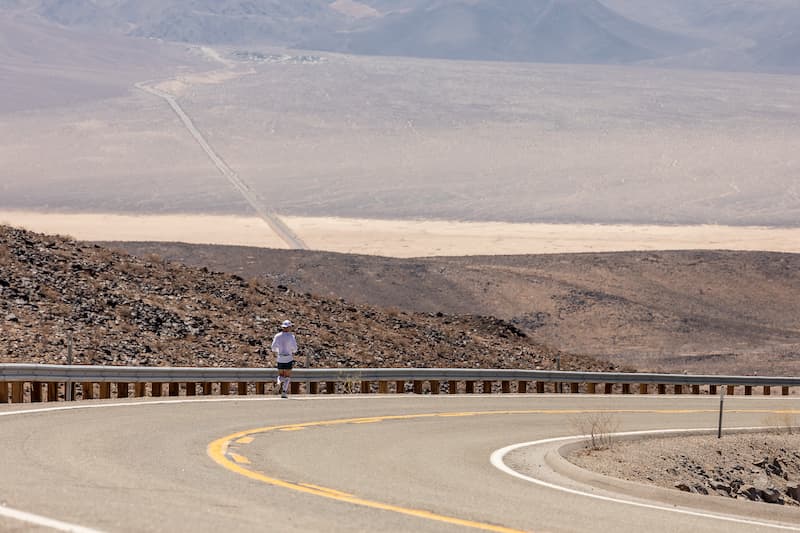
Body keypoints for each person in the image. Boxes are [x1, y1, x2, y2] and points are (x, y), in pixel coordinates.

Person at [271, 319, 298, 398]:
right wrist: (291, 351)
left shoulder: (277, 336)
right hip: (288, 358)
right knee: (287, 376)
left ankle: (279, 382)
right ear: (289, 327)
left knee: (280, 375)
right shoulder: (291, 336)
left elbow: (273, 348)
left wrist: (278, 351)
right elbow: (295, 349)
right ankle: (284, 392)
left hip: (280, 358)